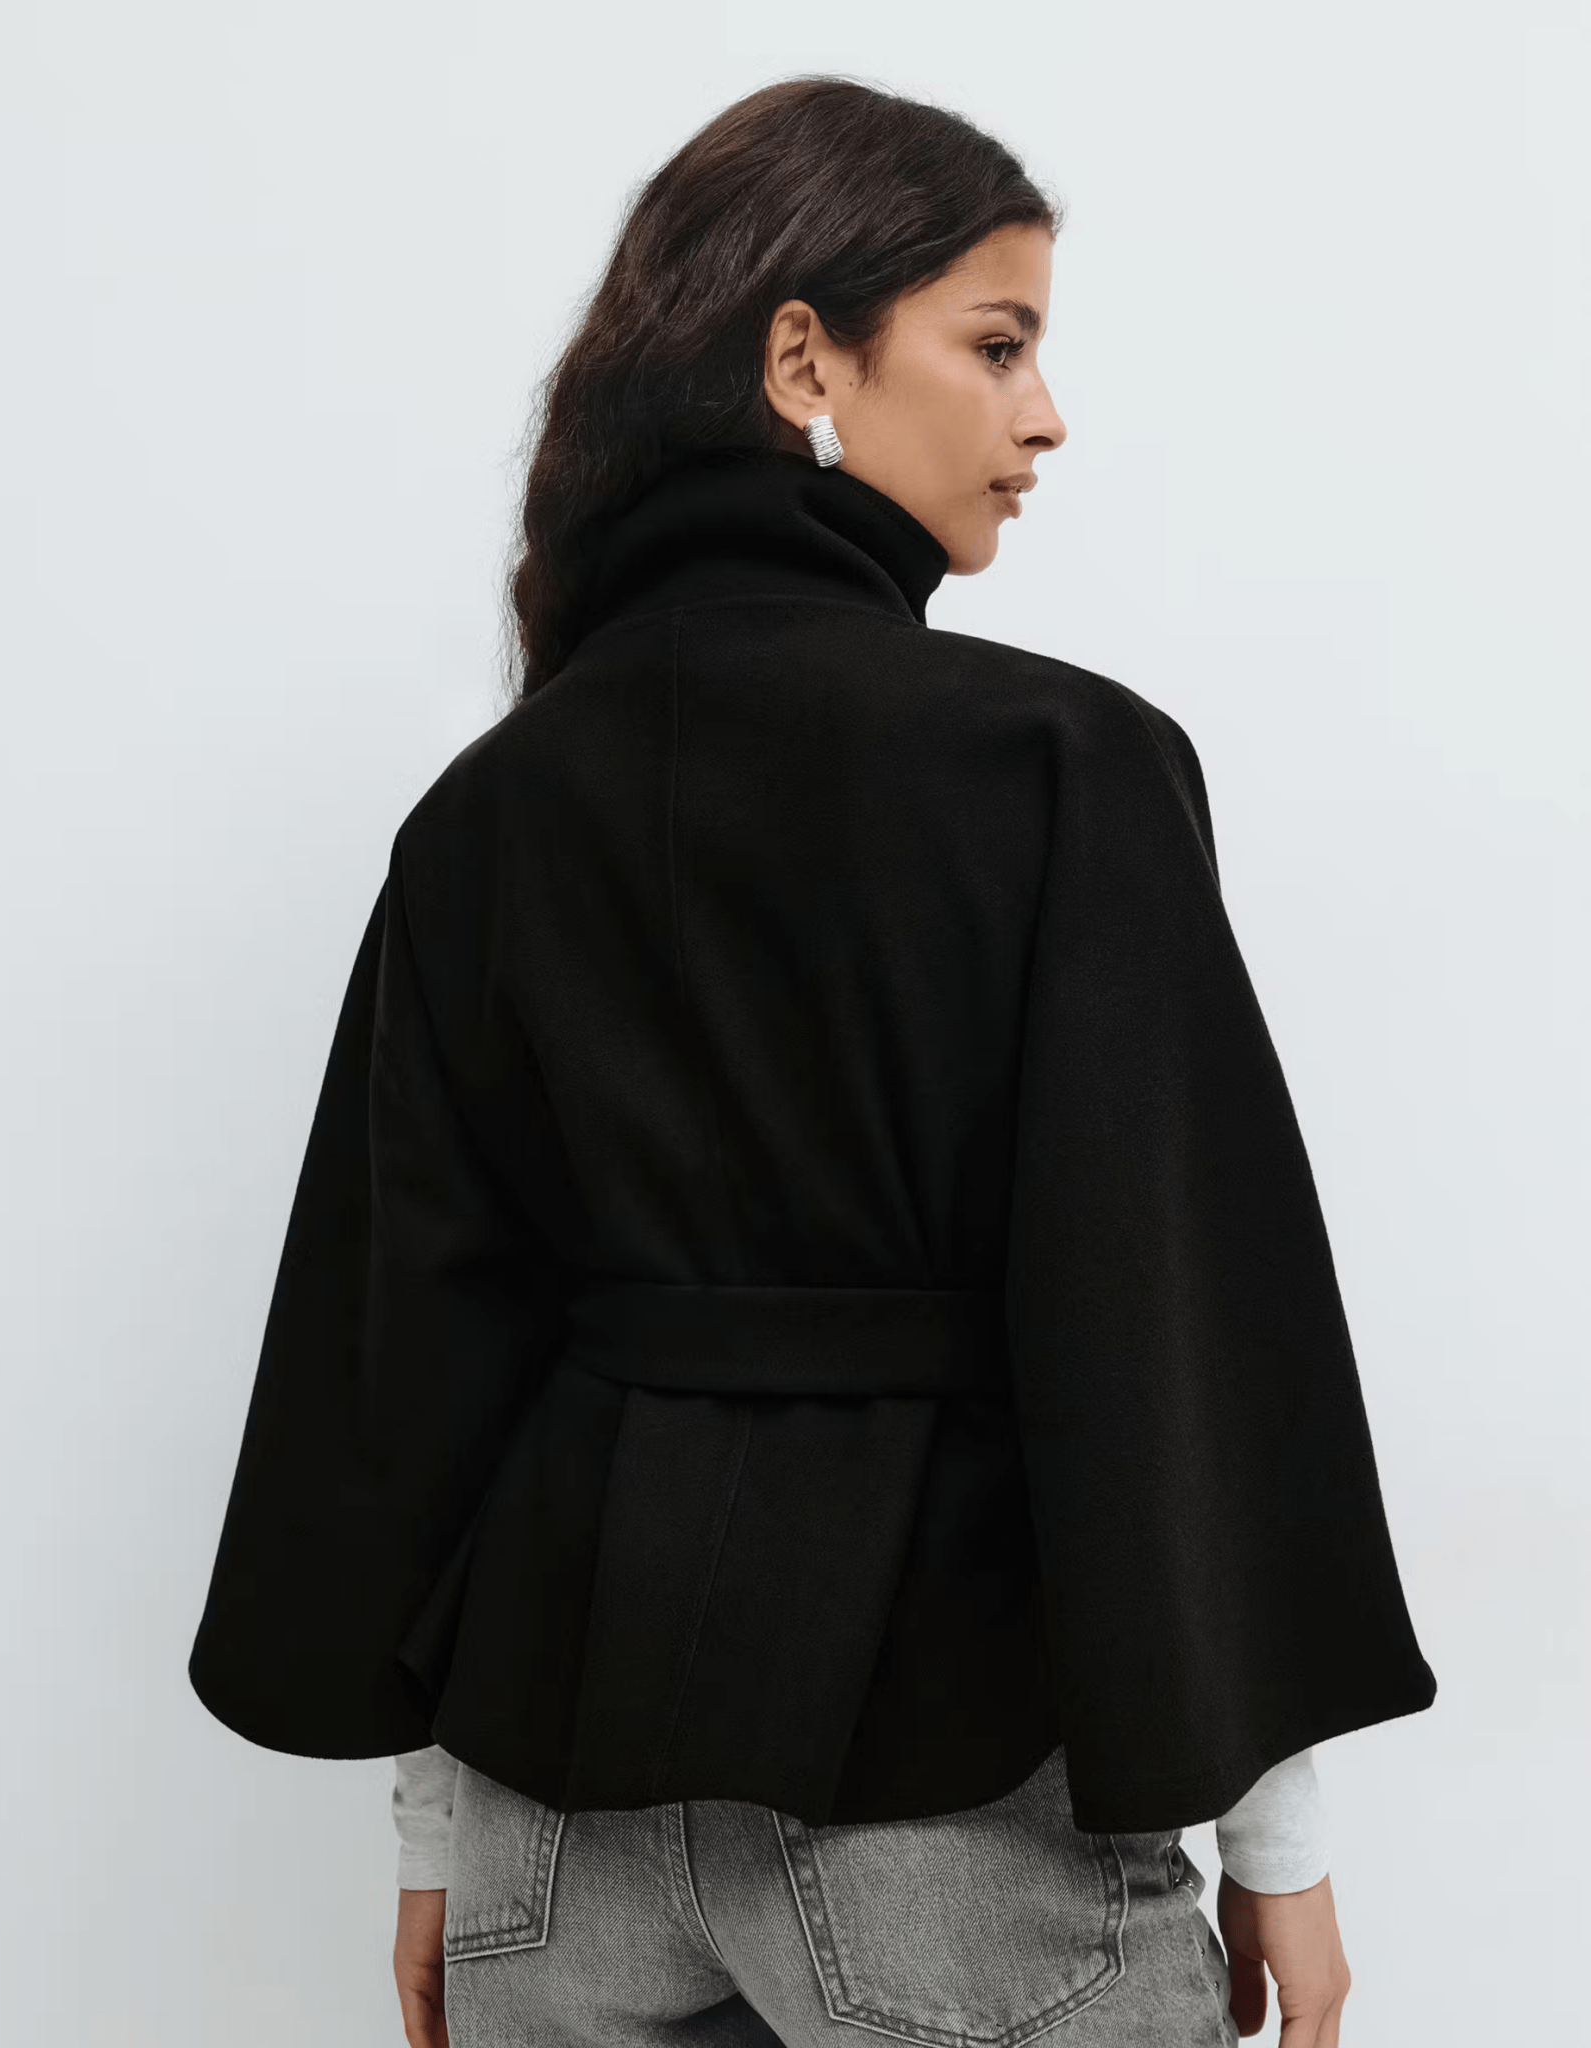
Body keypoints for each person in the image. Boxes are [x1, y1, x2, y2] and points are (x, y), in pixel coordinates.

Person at [188, 78, 1436, 2048]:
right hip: (947, 1821)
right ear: (803, 362)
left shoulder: (496, 807)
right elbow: (1174, 1321)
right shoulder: (1059, 766)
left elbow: (410, 1346)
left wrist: (433, 1835)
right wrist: (1275, 1838)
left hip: (548, 1842)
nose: (1045, 417)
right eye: (998, 344)